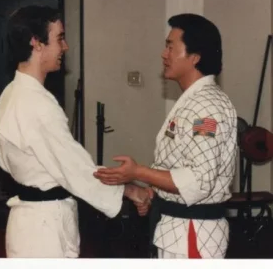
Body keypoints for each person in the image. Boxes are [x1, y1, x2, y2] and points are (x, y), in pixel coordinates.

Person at [0, 5, 151, 258]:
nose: (65, 47)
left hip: (30, 223)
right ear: (37, 43)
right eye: (59, 38)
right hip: (45, 230)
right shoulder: (36, 104)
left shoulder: (11, 94)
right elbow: (74, 169)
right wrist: (132, 190)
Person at [94, 13, 237, 259]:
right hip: (179, 230)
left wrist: (138, 172)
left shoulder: (205, 107)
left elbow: (199, 180)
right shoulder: (194, 100)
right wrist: (153, 191)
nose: (164, 54)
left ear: (194, 57)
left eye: (171, 47)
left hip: (193, 234)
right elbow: (181, 166)